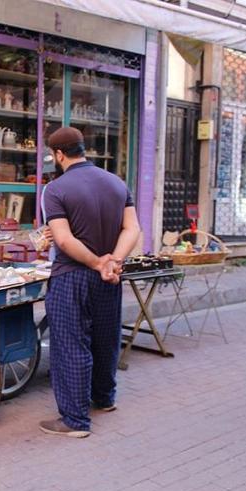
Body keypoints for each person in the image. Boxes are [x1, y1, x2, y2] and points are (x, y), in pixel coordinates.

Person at [40, 127, 140, 438]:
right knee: (106, 338)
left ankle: (74, 420)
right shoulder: (116, 182)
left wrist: (98, 261)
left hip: (72, 275)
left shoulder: (55, 189)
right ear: (83, 149)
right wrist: (114, 261)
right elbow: (132, 228)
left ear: (59, 155)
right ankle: (104, 398)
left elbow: (65, 240)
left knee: (71, 344)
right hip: (109, 277)